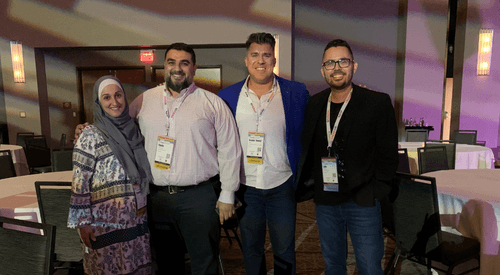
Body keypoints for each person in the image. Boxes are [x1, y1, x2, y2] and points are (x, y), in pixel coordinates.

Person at [75, 43, 242, 275]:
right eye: (172, 62)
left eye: (184, 63)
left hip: (199, 198)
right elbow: (118, 124)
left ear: (194, 67)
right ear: (164, 66)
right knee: (166, 263)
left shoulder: (212, 103)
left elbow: (230, 149)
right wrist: (89, 130)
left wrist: (227, 194)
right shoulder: (145, 100)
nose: (178, 68)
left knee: (205, 262)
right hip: (156, 199)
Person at [295, 39, 398, 275]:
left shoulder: (377, 103)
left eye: (343, 61)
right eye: (330, 63)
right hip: (326, 202)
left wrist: (376, 192)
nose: (337, 67)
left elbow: (389, 154)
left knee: (370, 267)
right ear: (323, 70)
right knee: (333, 267)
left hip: (363, 201)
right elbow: (309, 148)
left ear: (354, 66)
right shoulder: (315, 104)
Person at [218, 33, 309, 275]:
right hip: (247, 188)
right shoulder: (227, 97)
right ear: (246, 60)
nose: (261, 60)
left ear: (274, 59)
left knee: (285, 250)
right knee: (251, 250)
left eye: (266, 55)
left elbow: (309, 135)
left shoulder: (295, 93)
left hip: (282, 185)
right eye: (255, 55)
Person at [68, 75, 155, 275]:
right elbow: (80, 183)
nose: (114, 102)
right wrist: (83, 222)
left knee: (136, 267)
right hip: (104, 224)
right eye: (106, 98)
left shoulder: (134, 129)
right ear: (99, 102)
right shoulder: (90, 135)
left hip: (136, 221)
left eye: (118, 95)